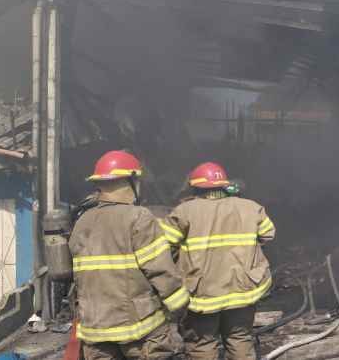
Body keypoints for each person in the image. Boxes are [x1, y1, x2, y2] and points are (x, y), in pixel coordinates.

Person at [69, 150, 190, 360]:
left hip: (94, 329)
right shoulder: (138, 217)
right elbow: (159, 268)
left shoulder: (82, 221)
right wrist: (180, 304)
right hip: (138, 328)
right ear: (130, 182)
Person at [162, 162, 275, 360]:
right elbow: (268, 235)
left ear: (195, 187)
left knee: (202, 344)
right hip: (243, 291)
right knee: (240, 339)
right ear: (224, 185)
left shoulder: (184, 211)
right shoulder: (251, 207)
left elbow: (164, 247)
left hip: (202, 294)